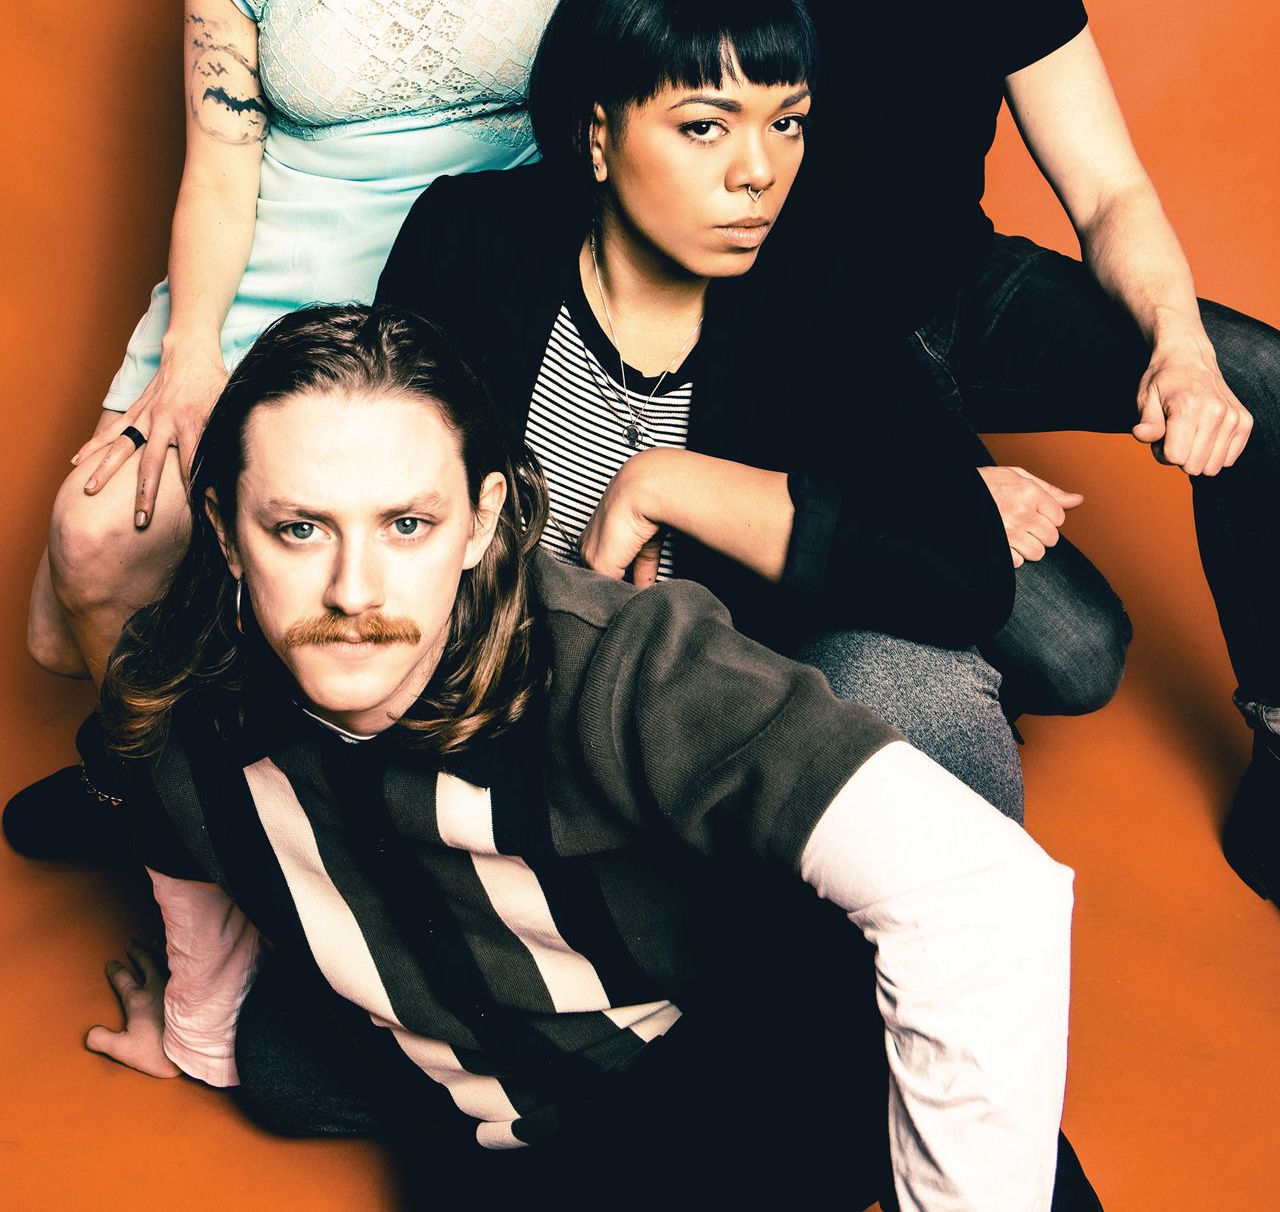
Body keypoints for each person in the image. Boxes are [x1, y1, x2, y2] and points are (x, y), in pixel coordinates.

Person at [85, 303, 1099, 1210]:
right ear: (225, 533)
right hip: (507, 1135)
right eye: (300, 529)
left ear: (482, 522)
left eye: (407, 525)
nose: (357, 591)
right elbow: (171, 826)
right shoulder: (175, 709)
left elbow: (981, 892)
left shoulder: (618, 662)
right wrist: (199, 1033)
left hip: (730, 1056)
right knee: (280, 1067)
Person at [10, 0, 658, 851]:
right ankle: (167, 796)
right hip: (291, 254)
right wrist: (190, 360)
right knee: (100, 545)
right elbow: (220, 160)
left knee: (457, 577)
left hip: (497, 268)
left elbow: (671, 71)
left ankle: (303, 829)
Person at [681, 0, 1280, 900]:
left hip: (969, 292)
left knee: (1260, 373)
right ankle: (864, 657)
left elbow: (1110, 194)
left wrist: (1178, 351)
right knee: (1079, 658)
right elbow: (747, 311)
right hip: (812, 362)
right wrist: (945, 485)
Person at [378, 0, 1091, 823]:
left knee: (913, 676)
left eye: (785, 122)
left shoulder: (812, 289)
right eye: (705, 126)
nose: (758, 171)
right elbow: (378, 499)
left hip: (733, 726)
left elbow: (963, 567)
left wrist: (675, 485)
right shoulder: (469, 245)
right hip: (502, 703)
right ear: (598, 133)